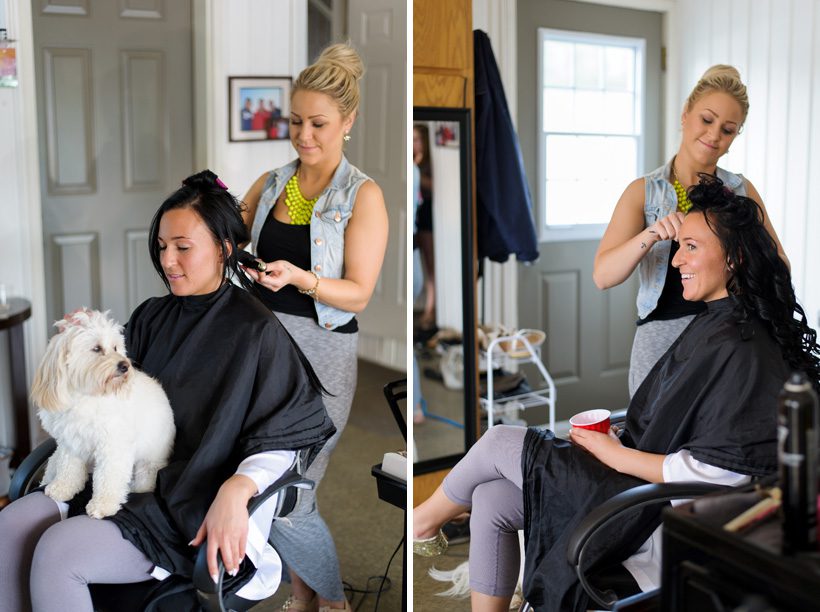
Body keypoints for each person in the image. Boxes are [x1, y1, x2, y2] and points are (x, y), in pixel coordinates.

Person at [413, 175, 820, 612]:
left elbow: (721, 476)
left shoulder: (743, 347)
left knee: (497, 442)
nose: (677, 259)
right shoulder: (717, 323)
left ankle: (421, 522)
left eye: (692, 247)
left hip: (652, 509)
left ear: (736, 257)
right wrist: (616, 435)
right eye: (679, 245)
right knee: (491, 497)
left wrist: (610, 452)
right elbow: (676, 418)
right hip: (632, 477)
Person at [0, 170, 336, 612]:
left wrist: (237, 488)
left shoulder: (256, 331)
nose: (168, 261)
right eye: (161, 247)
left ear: (224, 248)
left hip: (186, 502)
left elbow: (282, 434)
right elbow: (106, 395)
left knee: (59, 554)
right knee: (9, 527)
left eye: (183, 248)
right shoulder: (151, 316)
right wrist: (81, 346)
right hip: (120, 474)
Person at [240, 42, 388, 612]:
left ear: (348, 122)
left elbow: (358, 292)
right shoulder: (274, 181)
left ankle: (328, 604)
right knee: (264, 481)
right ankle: (306, 602)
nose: (304, 135)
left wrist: (302, 278)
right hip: (261, 356)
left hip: (321, 360)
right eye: (296, 121)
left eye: (318, 124)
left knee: (293, 492)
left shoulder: (363, 197)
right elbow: (230, 234)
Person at [593, 65, 788, 396]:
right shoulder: (642, 193)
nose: (714, 136)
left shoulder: (742, 192)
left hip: (731, 339)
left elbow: (779, 267)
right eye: (707, 120)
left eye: (728, 130)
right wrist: (651, 234)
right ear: (686, 114)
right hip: (660, 345)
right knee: (655, 440)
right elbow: (603, 276)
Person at [413, 123, 436, 329]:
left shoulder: (427, 163)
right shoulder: (413, 162)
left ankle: (430, 309)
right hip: (416, 215)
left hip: (428, 214)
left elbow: (433, 187)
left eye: (417, 139)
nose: (414, 143)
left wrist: (417, 170)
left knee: (430, 265)